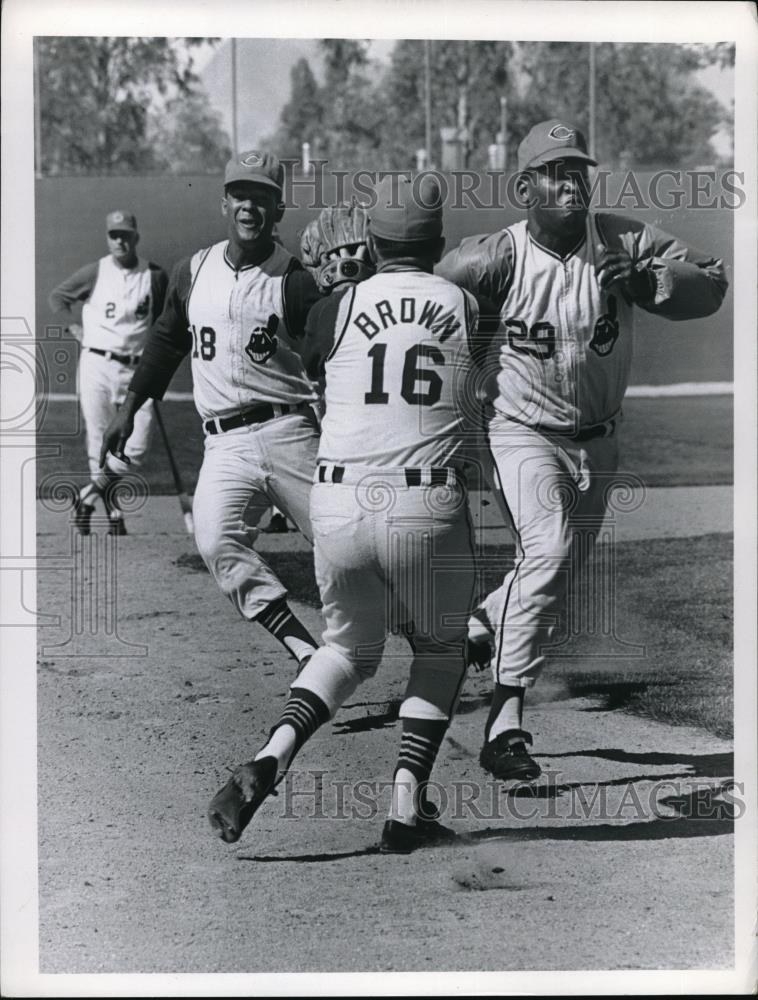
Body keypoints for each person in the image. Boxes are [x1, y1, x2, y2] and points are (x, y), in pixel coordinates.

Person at [436, 118, 729, 783]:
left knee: (553, 575)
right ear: (525, 184)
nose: (570, 182)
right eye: (554, 171)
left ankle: (481, 624)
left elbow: (711, 284)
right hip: (520, 431)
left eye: (578, 170)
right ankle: (505, 720)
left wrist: (650, 285)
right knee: (550, 551)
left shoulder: (623, 238)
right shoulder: (495, 256)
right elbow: (430, 297)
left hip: (598, 442)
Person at [207, 174, 481, 853]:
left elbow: (315, 345)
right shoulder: (468, 304)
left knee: (347, 648)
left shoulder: (334, 309)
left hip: (337, 500)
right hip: (424, 500)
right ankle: (404, 808)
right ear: (438, 242)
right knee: (442, 648)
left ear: (376, 242)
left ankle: (271, 756)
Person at [100, 150, 325, 669]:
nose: (250, 207)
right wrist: (129, 408)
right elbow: (164, 342)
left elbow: (331, 353)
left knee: (346, 549)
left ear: (279, 208)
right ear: (225, 202)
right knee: (216, 542)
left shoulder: (294, 279)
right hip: (224, 443)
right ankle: (306, 651)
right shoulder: (192, 271)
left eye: (263, 197)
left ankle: (436, 643)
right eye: (242, 195)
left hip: (290, 431)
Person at [49, 211, 168, 535]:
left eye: (125, 235)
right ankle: (115, 515)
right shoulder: (95, 272)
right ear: (108, 238)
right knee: (99, 445)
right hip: (97, 365)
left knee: (136, 448)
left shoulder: (154, 276)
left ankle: (86, 498)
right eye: (114, 235)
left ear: (136, 238)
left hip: (137, 370)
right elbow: (58, 297)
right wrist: (72, 325)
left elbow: (162, 321)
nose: (119, 240)